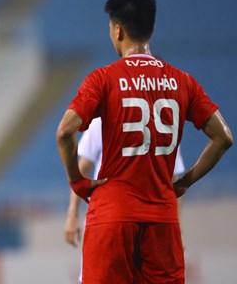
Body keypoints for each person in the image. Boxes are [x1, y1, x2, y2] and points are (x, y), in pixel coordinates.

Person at [56, 0, 233, 284]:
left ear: (118, 30)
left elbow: (64, 132)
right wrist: (185, 181)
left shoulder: (103, 80)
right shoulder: (182, 82)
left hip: (112, 216)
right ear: (151, 28)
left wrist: (77, 181)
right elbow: (224, 137)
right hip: (162, 217)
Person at [64, 117, 186, 282]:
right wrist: (72, 214)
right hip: (152, 217)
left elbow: (171, 179)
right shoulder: (166, 117)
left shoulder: (105, 116)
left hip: (112, 217)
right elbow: (173, 181)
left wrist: (72, 213)